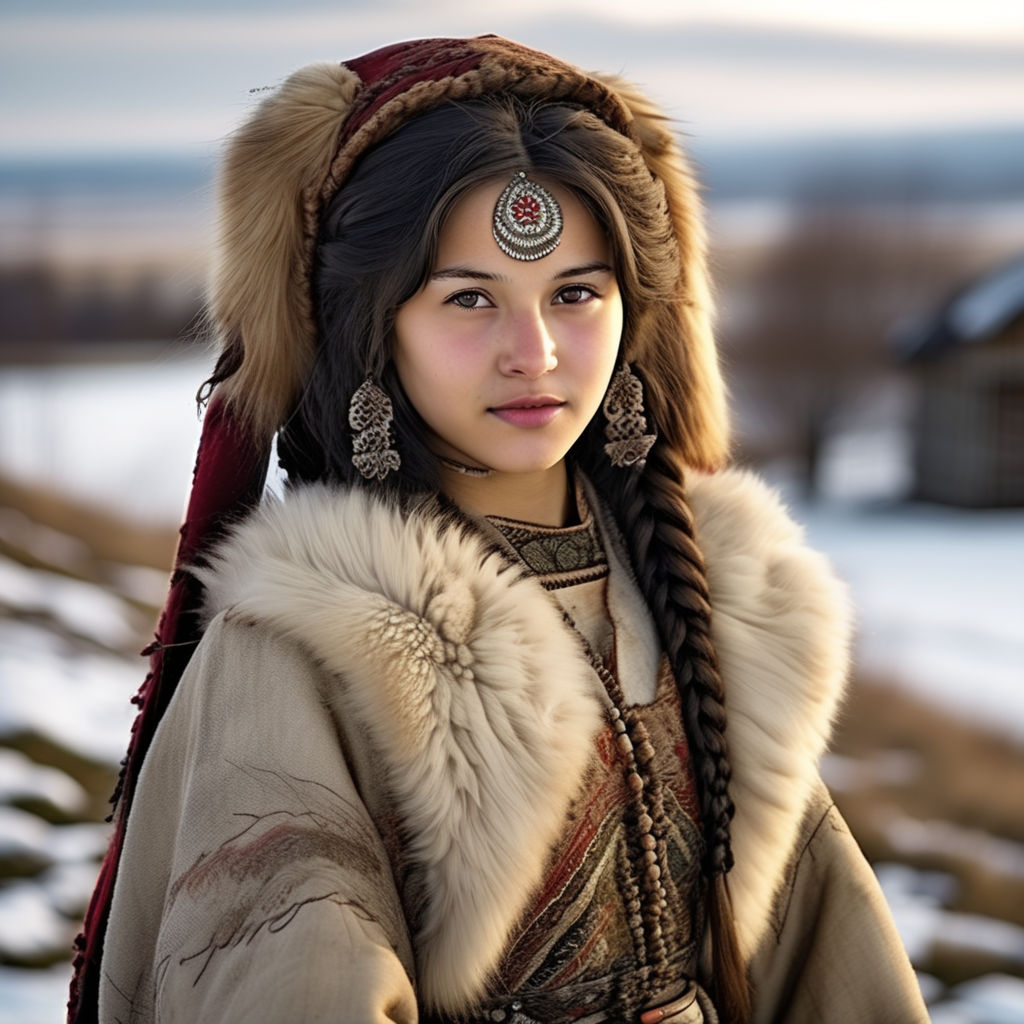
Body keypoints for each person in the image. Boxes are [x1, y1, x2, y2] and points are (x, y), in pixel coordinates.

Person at [68, 35, 930, 1024]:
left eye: (576, 294)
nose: (535, 353)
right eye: (469, 299)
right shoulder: (304, 643)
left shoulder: (706, 605)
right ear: (372, 326)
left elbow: (831, 964)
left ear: (634, 310)